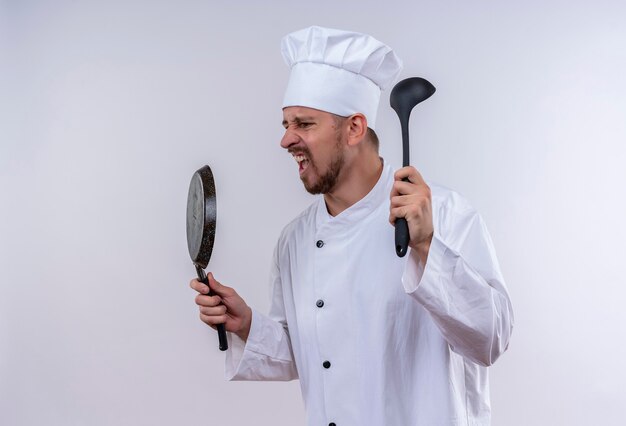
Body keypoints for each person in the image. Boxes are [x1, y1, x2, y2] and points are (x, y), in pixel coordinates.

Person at [190, 26, 513, 426]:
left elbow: (491, 338)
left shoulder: (445, 213)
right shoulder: (295, 240)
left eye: (304, 124)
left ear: (355, 129)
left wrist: (427, 245)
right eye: (286, 124)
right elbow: (311, 353)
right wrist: (248, 325)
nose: (286, 140)